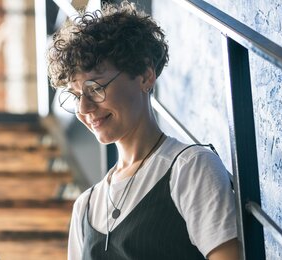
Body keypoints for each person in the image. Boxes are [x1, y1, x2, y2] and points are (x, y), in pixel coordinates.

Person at [46, 1, 239, 259]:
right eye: (76, 95)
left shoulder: (190, 168)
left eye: (95, 88)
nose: (84, 108)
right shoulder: (85, 206)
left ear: (146, 76)